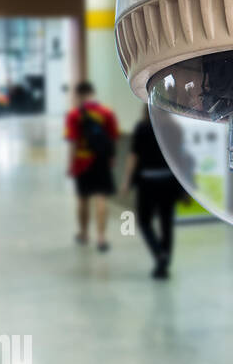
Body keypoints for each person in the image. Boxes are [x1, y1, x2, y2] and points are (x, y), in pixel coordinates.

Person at [120, 105, 181, 279]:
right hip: (168, 181)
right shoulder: (172, 127)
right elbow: (178, 155)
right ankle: (164, 260)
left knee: (144, 221)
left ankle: (158, 253)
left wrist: (126, 182)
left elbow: (133, 157)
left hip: (147, 182)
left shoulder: (142, 128)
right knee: (166, 223)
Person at [65, 80, 120, 251]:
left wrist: (70, 163)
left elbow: (73, 141)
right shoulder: (106, 112)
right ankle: (102, 238)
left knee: (83, 199)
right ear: (92, 93)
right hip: (102, 160)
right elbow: (113, 137)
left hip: (83, 161)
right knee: (101, 198)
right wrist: (112, 157)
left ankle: (83, 233)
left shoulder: (74, 115)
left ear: (79, 95)